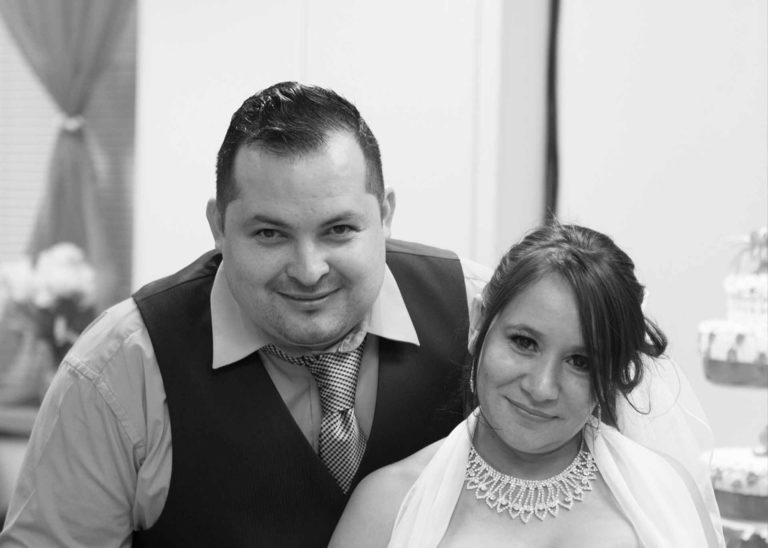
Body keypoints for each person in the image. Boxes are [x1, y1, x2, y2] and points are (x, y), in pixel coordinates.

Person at [0, 82, 489, 547]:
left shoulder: (483, 317)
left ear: (384, 215)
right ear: (218, 225)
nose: (308, 270)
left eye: (339, 229)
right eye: (269, 234)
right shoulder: (118, 370)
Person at [330, 222, 726, 548]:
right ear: (479, 323)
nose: (542, 387)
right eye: (524, 342)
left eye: (580, 362)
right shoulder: (387, 506)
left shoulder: (666, 493)